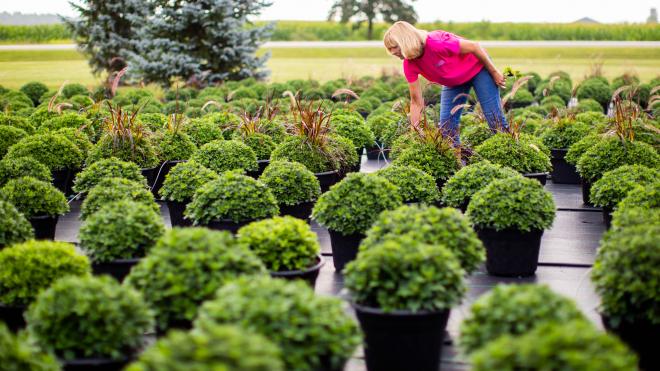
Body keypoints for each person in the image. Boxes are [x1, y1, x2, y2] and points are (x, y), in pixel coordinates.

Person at [383, 21, 507, 145]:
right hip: (454, 82)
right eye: (390, 49)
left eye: (395, 47)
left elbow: (474, 46)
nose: (392, 52)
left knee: (495, 121)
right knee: (447, 130)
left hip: (478, 70)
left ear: (405, 41)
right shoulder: (409, 64)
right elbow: (416, 101)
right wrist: (415, 133)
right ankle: (456, 163)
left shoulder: (437, 43)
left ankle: (511, 156)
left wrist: (494, 72)